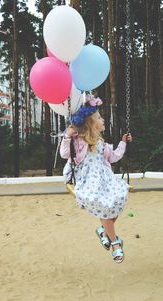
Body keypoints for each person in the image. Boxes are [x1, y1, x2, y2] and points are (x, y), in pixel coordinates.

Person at [60, 96, 132, 263]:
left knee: (119, 199)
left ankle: (103, 230)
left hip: (105, 180)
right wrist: (67, 137)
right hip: (88, 181)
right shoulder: (79, 141)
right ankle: (115, 243)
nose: (103, 119)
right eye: (99, 118)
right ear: (90, 124)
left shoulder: (101, 143)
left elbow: (113, 157)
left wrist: (122, 143)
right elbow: (65, 154)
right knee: (104, 205)